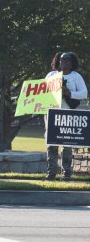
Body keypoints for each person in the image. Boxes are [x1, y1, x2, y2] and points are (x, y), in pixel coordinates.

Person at [45, 52, 88, 181]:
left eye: (67, 60)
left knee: (67, 144)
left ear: (72, 62)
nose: (64, 62)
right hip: (52, 113)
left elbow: (84, 93)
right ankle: (51, 173)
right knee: (51, 144)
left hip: (68, 113)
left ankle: (67, 173)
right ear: (58, 61)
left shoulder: (76, 77)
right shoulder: (51, 75)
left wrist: (69, 93)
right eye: (62, 60)